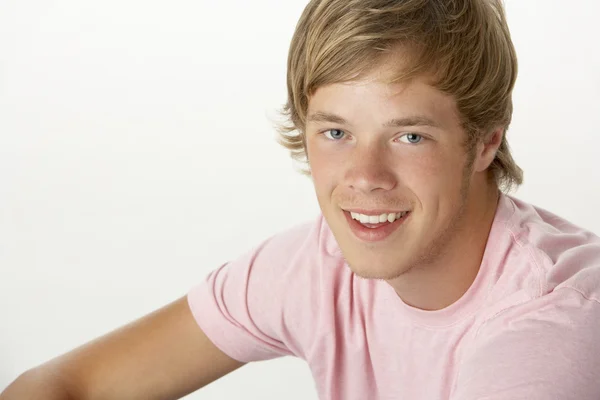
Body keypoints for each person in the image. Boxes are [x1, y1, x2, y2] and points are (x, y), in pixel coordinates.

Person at [2, 0, 599, 399]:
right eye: (336, 132)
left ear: (485, 141)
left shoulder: (549, 333)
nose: (364, 178)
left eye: (409, 135)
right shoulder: (319, 267)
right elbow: (65, 386)